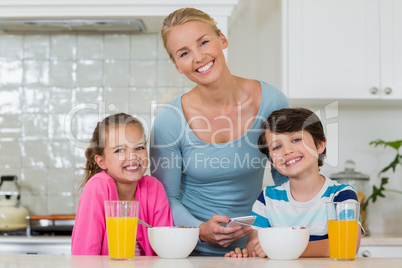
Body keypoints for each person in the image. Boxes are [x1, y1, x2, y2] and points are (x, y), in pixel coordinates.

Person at [150, 7, 290, 256]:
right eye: (184, 53)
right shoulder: (170, 120)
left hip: (255, 252)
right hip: (189, 252)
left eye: (203, 42)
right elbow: (165, 197)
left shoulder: (272, 102)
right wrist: (200, 229)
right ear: (177, 66)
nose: (198, 57)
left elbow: (286, 180)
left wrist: (264, 232)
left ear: (222, 39)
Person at [225, 108, 364, 258]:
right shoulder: (268, 198)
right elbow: (255, 247)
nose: (287, 150)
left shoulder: (341, 195)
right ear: (272, 162)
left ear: (320, 145)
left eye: (296, 139)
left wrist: (285, 249)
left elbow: (347, 244)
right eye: (277, 147)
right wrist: (244, 254)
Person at [71, 113, 173, 256]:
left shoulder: (154, 188)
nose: (133, 156)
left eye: (139, 147)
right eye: (119, 150)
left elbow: (166, 248)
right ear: (101, 161)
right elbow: (84, 256)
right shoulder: (97, 188)